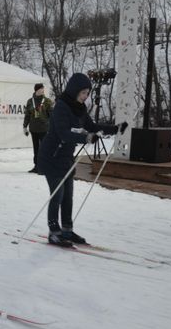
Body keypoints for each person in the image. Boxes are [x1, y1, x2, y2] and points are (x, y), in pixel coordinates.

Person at [37, 73, 125, 245]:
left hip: (66, 157)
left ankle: (67, 231)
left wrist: (115, 129)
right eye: (83, 92)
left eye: (87, 93)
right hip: (51, 156)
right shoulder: (61, 107)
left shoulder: (80, 109)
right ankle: (54, 232)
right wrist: (85, 138)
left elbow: (92, 127)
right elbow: (63, 133)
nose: (85, 96)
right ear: (74, 90)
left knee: (68, 196)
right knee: (57, 195)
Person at [23, 82, 53, 173]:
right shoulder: (30, 101)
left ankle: (44, 167)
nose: (43, 90)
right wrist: (25, 126)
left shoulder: (47, 101)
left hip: (44, 129)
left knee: (43, 149)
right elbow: (27, 115)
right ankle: (36, 166)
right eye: (41, 89)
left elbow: (51, 115)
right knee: (36, 148)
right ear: (37, 90)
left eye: (43, 88)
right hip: (34, 128)